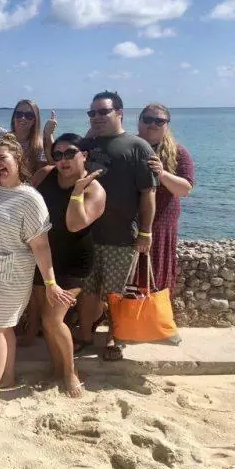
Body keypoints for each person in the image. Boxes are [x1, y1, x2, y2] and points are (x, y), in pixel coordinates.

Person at [0, 135, 75, 413]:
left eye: (3, 158)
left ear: (18, 160)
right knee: (2, 328)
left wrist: (50, 283)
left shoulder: (30, 198)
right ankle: (7, 378)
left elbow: (41, 246)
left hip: (12, 275)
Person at [75, 91, 158, 362]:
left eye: (103, 112)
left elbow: (148, 193)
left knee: (115, 293)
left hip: (121, 236)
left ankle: (114, 337)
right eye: (92, 113)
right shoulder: (87, 145)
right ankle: (85, 335)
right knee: (87, 291)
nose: (96, 117)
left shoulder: (137, 147)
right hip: (87, 234)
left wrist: (145, 232)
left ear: (119, 113)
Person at [30, 134, 106, 398]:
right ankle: (55, 369)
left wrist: (76, 191)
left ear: (83, 154)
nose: (63, 160)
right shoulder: (45, 175)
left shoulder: (94, 189)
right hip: (44, 257)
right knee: (45, 319)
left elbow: (75, 224)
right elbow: (25, 200)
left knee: (53, 319)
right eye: (58, 154)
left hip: (75, 262)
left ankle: (70, 372)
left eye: (70, 153)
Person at [137, 104, 194, 292]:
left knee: (157, 277)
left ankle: (153, 319)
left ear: (167, 125)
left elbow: (184, 189)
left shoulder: (178, 152)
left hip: (161, 226)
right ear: (139, 121)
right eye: (147, 119)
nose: (152, 124)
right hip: (129, 224)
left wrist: (162, 173)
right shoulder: (128, 147)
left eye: (159, 121)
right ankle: (127, 318)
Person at [10, 100, 48, 173]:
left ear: (34, 120)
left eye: (29, 115)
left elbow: (40, 176)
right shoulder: (4, 137)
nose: (22, 118)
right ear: (14, 117)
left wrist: (49, 135)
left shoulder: (39, 146)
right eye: (19, 114)